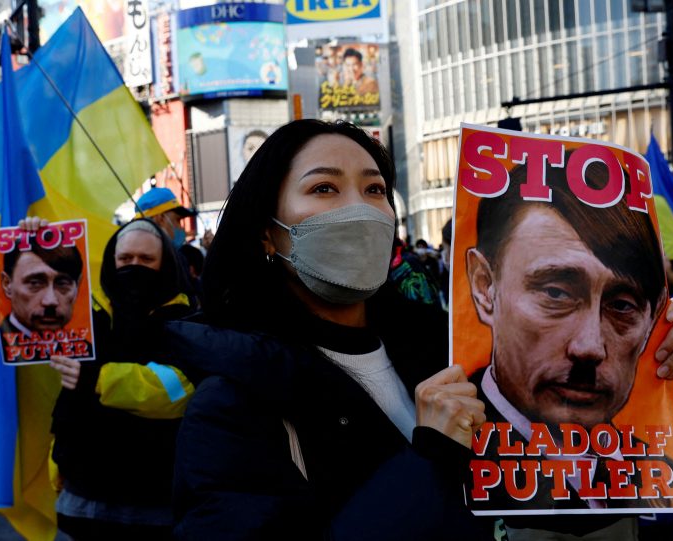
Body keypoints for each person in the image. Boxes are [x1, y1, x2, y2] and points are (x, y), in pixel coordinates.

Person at [166, 119, 490, 540]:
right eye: (324, 188)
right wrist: (429, 460)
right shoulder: (231, 405)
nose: (358, 209)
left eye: (374, 190)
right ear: (267, 233)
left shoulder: (450, 354)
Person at [464, 158, 673, 534]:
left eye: (622, 306)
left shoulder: (661, 469)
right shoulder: (447, 450)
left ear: (654, 314)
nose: (589, 346)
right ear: (484, 286)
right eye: (556, 293)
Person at [27, 217, 196, 541]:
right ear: (111, 262)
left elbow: (179, 391)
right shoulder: (88, 317)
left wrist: (100, 378)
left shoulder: (185, 319)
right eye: (125, 259)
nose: (134, 267)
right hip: (81, 498)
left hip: (154, 503)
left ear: (165, 264)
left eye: (146, 260)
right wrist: (32, 239)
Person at [0, 232, 89, 363]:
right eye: (35, 283)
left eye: (62, 284)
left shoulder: (90, 353)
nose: (50, 301)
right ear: (7, 284)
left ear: (78, 285)